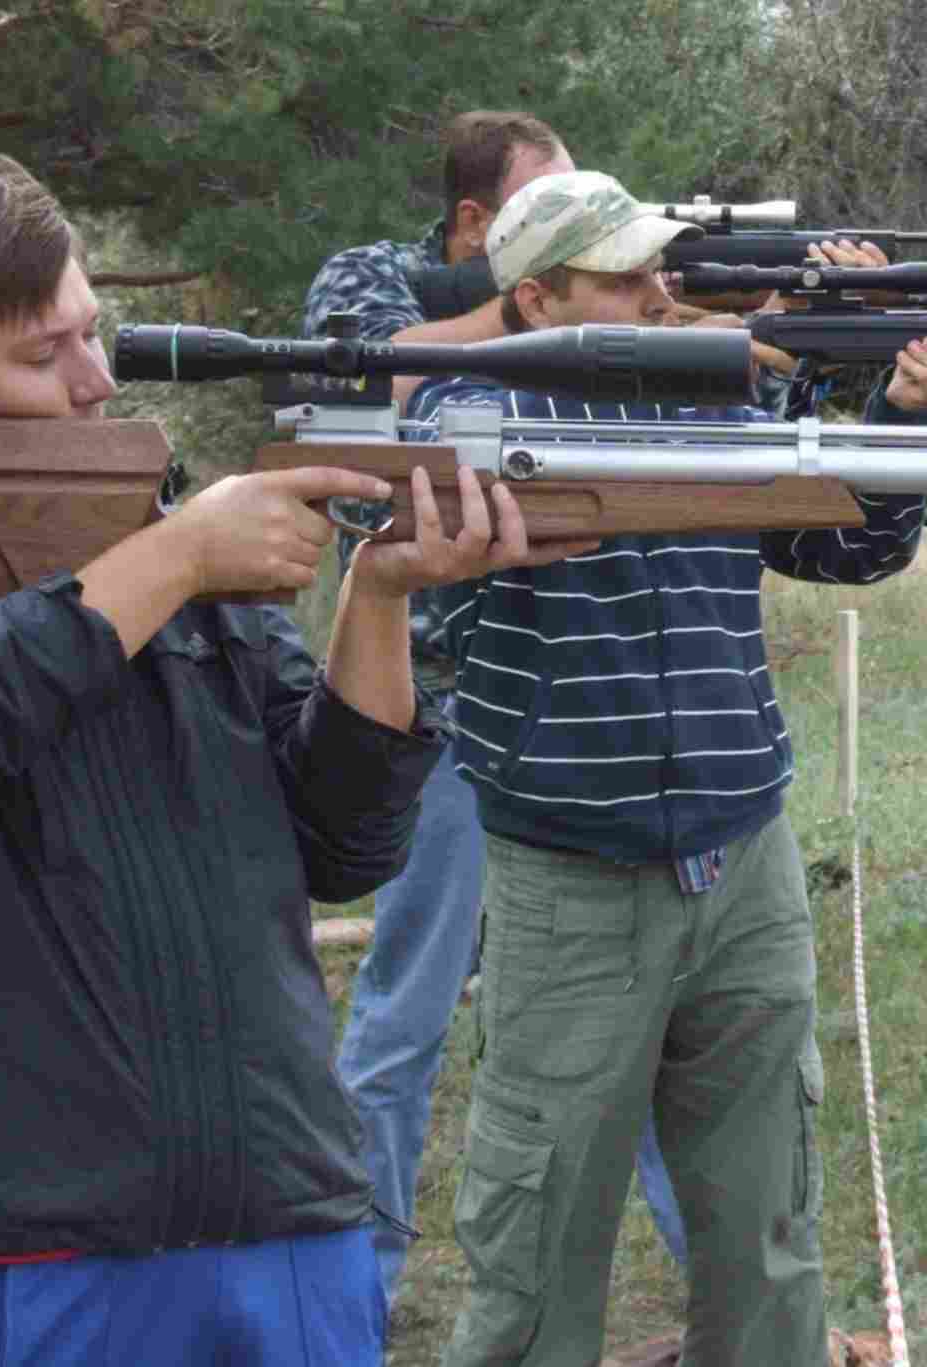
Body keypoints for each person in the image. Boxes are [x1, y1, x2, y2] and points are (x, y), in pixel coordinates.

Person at [0, 145, 586, 1367]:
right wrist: (174, 558)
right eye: (41, 354)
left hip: (290, 1214)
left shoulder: (151, 531)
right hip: (21, 1246)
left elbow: (340, 841)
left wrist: (376, 597)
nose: (96, 379)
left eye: (91, 332)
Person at [408, 170, 927, 1367]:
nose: (660, 291)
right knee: (535, 1253)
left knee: (767, 1236)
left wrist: (887, 409)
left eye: (660, 269)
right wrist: (744, 355)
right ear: (535, 302)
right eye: (623, 279)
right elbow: (465, 466)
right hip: (570, 883)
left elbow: (845, 546)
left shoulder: (714, 402)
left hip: (745, 864)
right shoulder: (466, 413)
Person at [300, 111, 694, 1306]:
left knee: (638, 1028)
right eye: (542, 222)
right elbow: (370, 371)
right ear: (479, 229)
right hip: (442, 719)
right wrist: (548, 315)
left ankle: (730, 1299)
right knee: (404, 1013)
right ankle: (353, 1295)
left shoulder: (586, 311)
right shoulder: (372, 280)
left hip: (576, 711)